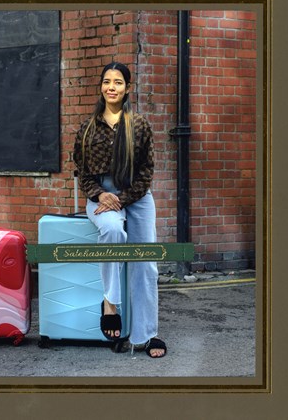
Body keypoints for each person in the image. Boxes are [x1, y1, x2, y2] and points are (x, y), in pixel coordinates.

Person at [73, 62, 167, 358]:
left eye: (118, 82)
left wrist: (122, 198)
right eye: (106, 81)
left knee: (145, 263)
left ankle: (146, 335)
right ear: (101, 87)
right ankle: (110, 303)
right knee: (113, 229)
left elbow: (146, 172)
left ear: (128, 88)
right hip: (100, 195)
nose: (111, 87)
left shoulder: (139, 125)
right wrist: (101, 194)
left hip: (136, 195)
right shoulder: (86, 129)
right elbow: (82, 173)